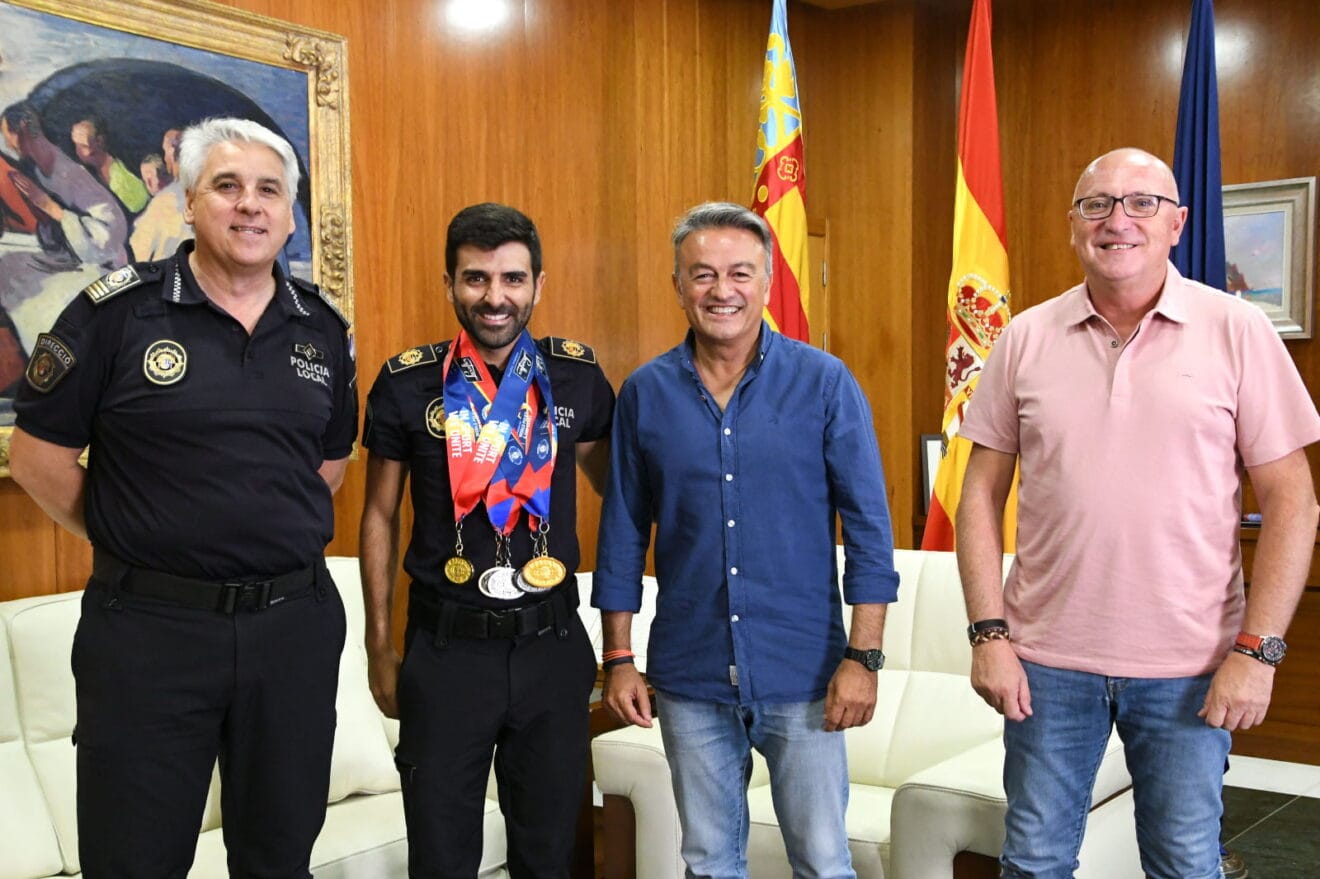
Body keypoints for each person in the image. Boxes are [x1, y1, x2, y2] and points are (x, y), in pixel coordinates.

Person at [956, 147, 1320, 879]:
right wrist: (988, 633)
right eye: (1098, 204)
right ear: (1073, 224)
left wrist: (1259, 652)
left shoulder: (1237, 331)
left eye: (1142, 202)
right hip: (1045, 663)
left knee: (1185, 863)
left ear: (1177, 222)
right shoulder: (1024, 336)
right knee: (1031, 862)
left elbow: (1293, 502)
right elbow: (978, 494)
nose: (1118, 219)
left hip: (1191, 664)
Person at [8, 116, 358, 878]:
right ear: (188, 201)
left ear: (290, 213)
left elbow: (327, 463)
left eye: (270, 190)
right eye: (226, 186)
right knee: (134, 859)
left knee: (279, 855)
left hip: (292, 631)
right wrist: (132, 531)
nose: (250, 205)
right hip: (150, 637)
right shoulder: (116, 314)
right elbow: (38, 458)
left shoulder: (322, 328)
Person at [593, 202, 899, 878]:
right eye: (702, 274)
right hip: (688, 674)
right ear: (677, 284)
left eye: (739, 272)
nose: (721, 290)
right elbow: (621, 532)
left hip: (807, 673)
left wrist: (864, 657)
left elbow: (872, 531)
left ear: (766, 283)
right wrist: (618, 655)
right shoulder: (645, 393)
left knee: (822, 860)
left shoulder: (825, 383)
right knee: (708, 862)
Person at [359, 202, 614, 878]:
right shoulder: (406, 383)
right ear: (449, 285)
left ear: (538, 284)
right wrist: (378, 643)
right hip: (446, 653)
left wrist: (619, 641)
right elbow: (379, 515)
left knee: (549, 853)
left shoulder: (577, 378)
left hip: (552, 648)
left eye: (512, 278)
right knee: (442, 857)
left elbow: (621, 495)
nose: (494, 297)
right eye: (475, 279)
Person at [0, 102, 128, 355]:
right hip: (69, 257)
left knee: (29, 290)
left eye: (7, 134)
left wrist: (50, 207)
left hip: (103, 266)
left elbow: (110, 236)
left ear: (23, 129)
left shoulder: (71, 172)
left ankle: (58, 359)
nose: (6, 142)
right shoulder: (38, 168)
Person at [130, 128, 191, 261]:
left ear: (172, 152)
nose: (156, 182)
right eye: (148, 180)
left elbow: (140, 251)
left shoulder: (165, 200)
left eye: (165, 152)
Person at [71, 115, 151, 214]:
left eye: (82, 146)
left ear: (99, 141)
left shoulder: (126, 162)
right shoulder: (84, 176)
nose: (77, 151)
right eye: (76, 145)